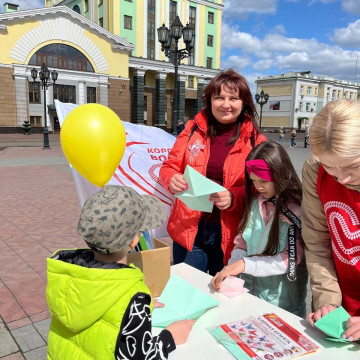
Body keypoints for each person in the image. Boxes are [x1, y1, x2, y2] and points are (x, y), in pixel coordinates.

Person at [46, 185, 195, 360]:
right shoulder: (133, 297)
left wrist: (134, 310)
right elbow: (140, 356)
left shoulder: (65, 272)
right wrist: (170, 337)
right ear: (134, 240)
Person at [160, 69, 266, 276]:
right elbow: (168, 167)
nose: (226, 104)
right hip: (190, 228)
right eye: (219, 97)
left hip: (232, 233)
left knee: (225, 294)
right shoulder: (192, 129)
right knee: (189, 291)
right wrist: (171, 179)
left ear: (243, 102)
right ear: (209, 100)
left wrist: (234, 197)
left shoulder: (256, 141)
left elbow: (262, 187)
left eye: (233, 98)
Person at [212, 141, 308, 318]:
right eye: (254, 181)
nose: (259, 187)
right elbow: (241, 243)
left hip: (281, 304)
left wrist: (244, 265)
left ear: (280, 174)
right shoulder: (256, 203)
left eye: (263, 181)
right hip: (250, 294)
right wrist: (232, 269)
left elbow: (288, 261)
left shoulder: (296, 210)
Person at [302, 99, 360, 341]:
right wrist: (327, 300)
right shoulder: (316, 171)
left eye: (353, 166)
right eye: (332, 167)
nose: (343, 179)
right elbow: (317, 243)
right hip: (343, 313)